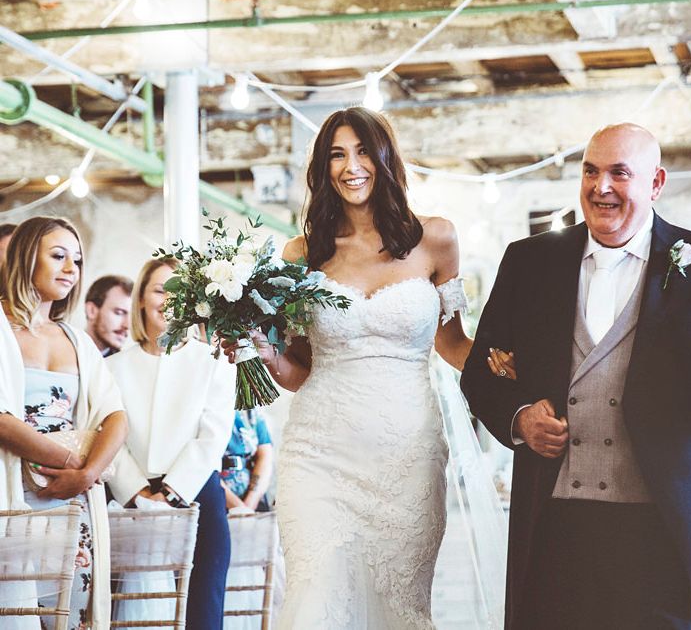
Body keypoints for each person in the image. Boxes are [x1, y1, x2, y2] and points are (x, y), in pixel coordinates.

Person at [225, 106, 505, 629]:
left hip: (407, 453)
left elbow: (452, 343)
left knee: (400, 605)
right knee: (315, 596)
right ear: (323, 169)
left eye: (361, 151)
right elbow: (298, 370)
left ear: (384, 158)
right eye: (336, 154)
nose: (350, 165)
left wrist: (515, 367)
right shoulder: (302, 254)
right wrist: (262, 351)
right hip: (319, 454)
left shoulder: (436, 238)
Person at [461, 123, 691, 630]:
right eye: (590, 171)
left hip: (661, 526)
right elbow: (481, 373)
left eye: (619, 173)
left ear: (655, 184)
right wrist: (519, 419)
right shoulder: (529, 261)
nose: (600, 187)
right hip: (554, 523)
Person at [0, 216, 128, 629]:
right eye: (58, 256)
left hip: (71, 504)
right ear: (25, 257)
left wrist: (88, 473)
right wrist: (70, 463)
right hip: (10, 500)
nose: (71, 269)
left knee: (70, 619)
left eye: (77, 259)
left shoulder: (76, 339)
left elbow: (116, 416)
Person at [106, 257, 235, 630]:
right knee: (131, 612)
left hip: (199, 497)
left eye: (180, 291)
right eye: (161, 290)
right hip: (131, 502)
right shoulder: (114, 367)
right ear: (142, 299)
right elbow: (112, 438)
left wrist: (172, 494)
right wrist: (138, 494)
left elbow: (213, 434)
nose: (170, 299)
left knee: (203, 613)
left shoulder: (212, 361)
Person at [220, 409, 274, 512]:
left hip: (251, 500)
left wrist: (250, 504)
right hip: (214, 497)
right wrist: (238, 508)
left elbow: (265, 456)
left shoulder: (251, 410)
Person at [84, 275, 133, 357]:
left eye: (133, 318)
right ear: (91, 311)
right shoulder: (60, 351)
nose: (127, 325)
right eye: (119, 313)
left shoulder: (126, 367)